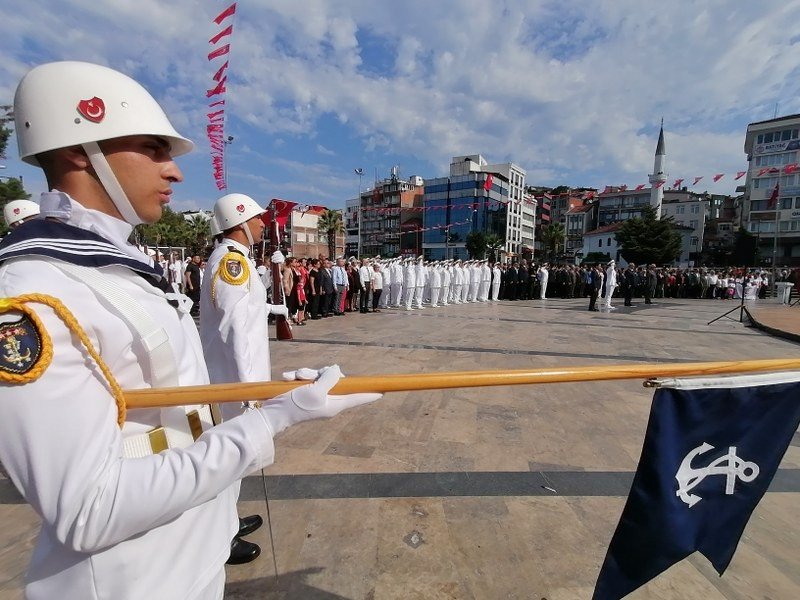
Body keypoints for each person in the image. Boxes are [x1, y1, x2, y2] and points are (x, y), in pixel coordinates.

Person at [0, 61, 381, 600]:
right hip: (128, 579)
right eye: (154, 149)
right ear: (78, 152)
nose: (175, 171)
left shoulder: (110, 264)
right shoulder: (32, 294)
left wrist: (271, 395)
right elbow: (89, 509)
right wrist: (271, 420)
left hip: (186, 554)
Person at [200, 192, 291, 564]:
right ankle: (221, 538)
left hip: (237, 378)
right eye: (256, 219)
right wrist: (247, 389)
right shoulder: (231, 263)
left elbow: (243, 310)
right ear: (238, 223)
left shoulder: (234, 260)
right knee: (231, 456)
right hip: (236, 381)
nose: (261, 224)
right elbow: (235, 328)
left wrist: (272, 307)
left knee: (235, 458)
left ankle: (229, 522)